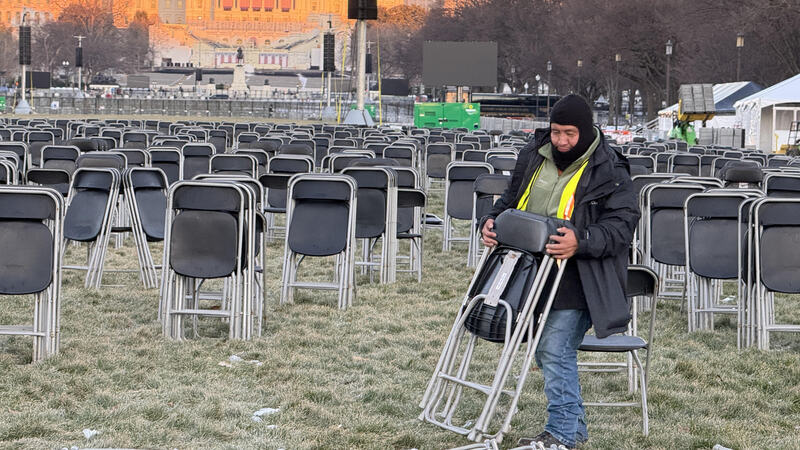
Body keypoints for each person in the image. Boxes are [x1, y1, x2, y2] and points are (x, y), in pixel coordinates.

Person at [479, 94, 640, 449]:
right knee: (545, 349)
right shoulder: (533, 155)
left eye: (569, 133)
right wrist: (489, 220)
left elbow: (622, 226)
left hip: (579, 276)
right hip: (530, 272)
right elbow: (510, 199)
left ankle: (562, 434)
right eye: (555, 132)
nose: (562, 141)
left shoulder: (610, 168)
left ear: (585, 131)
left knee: (553, 348)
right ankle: (575, 429)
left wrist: (580, 241)